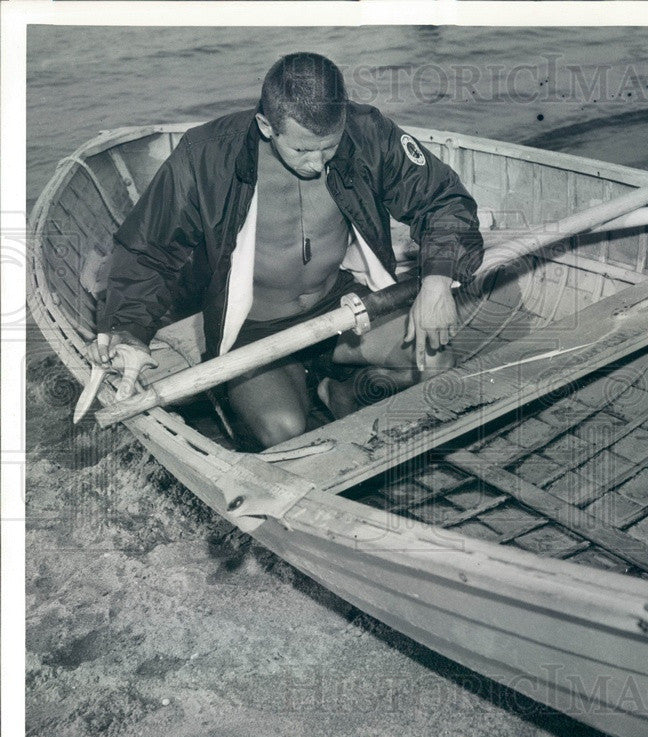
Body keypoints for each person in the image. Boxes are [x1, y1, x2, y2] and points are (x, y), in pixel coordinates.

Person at [89, 52, 483, 448]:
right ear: (266, 125)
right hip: (257, 329)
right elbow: (147, 250)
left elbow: (443, 199)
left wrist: (436, 281)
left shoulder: (367, 131)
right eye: (302, 151)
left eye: (328, 148)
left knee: (437, 363)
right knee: (285, 433)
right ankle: (302, 387)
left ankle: (339, 391)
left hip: (342, 307)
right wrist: (129, 331)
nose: (317, 164)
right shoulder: (205, 155)